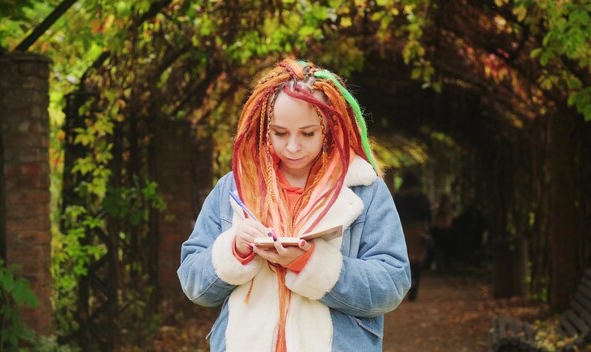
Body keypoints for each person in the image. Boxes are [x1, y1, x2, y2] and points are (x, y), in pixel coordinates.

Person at [177, 58, 410, 351]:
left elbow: (392, 284)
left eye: (308, 133)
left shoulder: (365, 189)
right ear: (265, 128)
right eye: (280, 133)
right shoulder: (233, 187)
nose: (293, 146)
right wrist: (234, 250)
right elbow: (192, 282)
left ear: (328, 125)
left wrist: (311, 263)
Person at [393, 170, 431, 301]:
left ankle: (407, 286)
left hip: (403, 230)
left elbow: (392, 214)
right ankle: (415, 286)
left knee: (405, 258)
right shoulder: (421, 197)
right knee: (418, 260)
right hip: (418, 229)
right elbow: (428, 214)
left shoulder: (398, 197)